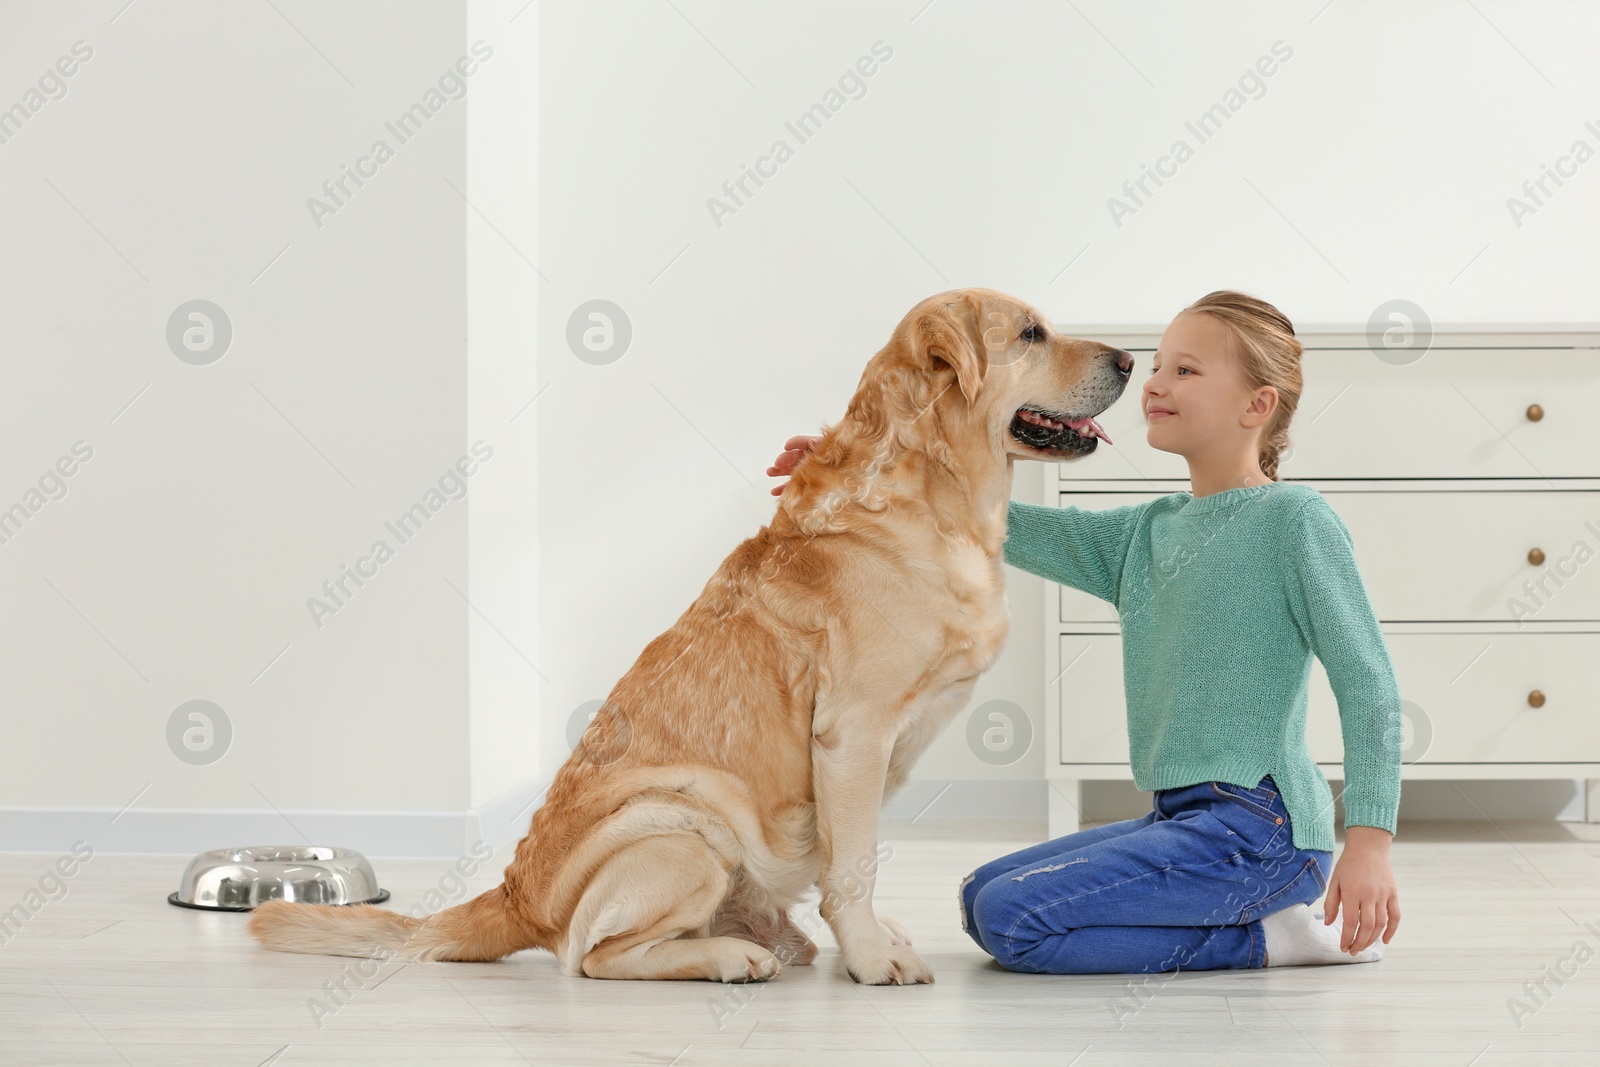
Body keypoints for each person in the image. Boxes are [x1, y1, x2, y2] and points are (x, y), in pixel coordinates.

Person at [765, 290, 1402, 973]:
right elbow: (995, 522)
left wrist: (1368, 841)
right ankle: (1249, 916)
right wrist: (855, 469)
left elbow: (1369, 685)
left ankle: (1269, 938)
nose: (1154, 382)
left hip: (1263, 831)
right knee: (981, 896)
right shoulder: (1146, 533)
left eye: (1185, 371)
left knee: (1016, 921)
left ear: (1257, 407)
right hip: (1185, 821)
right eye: (1158, 365)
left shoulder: (1294, 520)